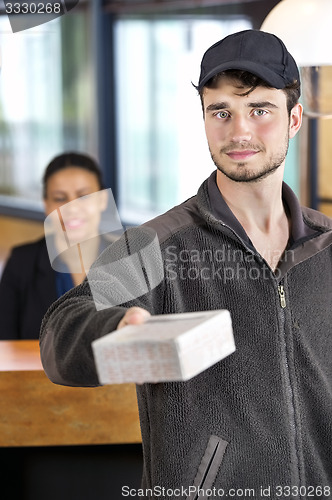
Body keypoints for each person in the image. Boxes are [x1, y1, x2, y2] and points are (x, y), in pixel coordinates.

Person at [40, 30, 332, 495]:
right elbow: (60, 331)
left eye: (260, 110)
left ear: (294, 118)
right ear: (204, 119)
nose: (239, 131)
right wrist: (115, 329)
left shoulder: (327, 246)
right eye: (221, 112)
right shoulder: (154, 245)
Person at [0, 152, 108, 340]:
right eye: (60, 198)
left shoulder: (129, 259)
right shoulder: (21, 263)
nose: (72, 208)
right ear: (46, 205)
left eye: (83, 196)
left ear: (102, 200)